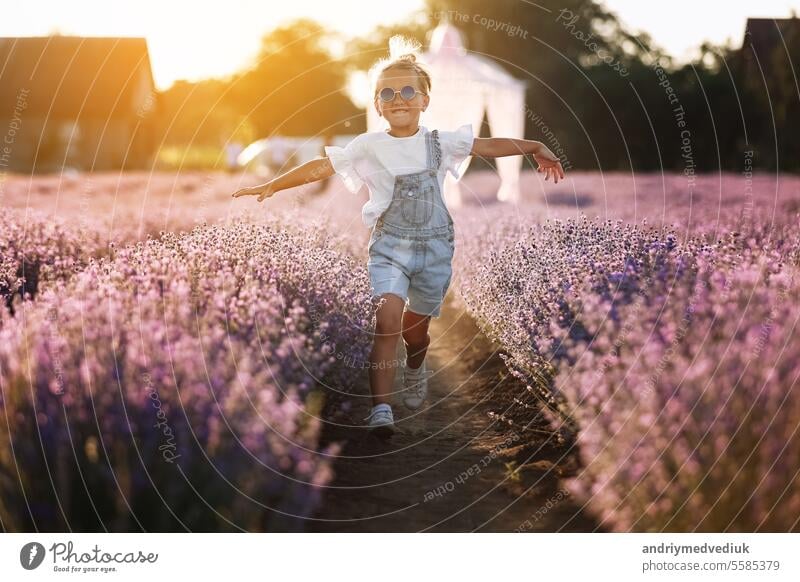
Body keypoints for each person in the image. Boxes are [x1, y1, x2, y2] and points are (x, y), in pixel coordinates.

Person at [232, 36, 565, 437]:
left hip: (434, 247)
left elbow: (486, 145)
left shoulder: (440, 142)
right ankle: (381, 411)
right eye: (386, 93)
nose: (398, 98)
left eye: (408, 90)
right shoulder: (369, 146)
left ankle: (416, 361)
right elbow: (323, 167)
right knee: (386, 320)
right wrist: (272, 185)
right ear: (377, 104)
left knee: (415, 328)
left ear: (425, 99)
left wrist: (534, 145)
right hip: (389, 245)